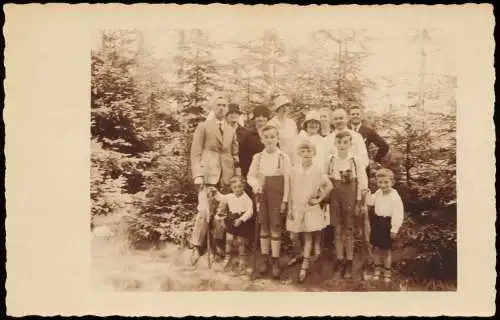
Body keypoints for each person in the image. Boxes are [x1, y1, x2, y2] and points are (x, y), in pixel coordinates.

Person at [189, 96, 241, 265]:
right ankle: (196, 246)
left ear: (227, 109)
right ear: (213, 107)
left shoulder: (231, 129)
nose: (221, 108)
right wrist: (197, 174)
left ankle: (218, 243)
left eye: (224, 105)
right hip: (207, 175)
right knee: (204, 211)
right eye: (218, 105)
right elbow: (195, 152)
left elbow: (234, 154)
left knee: (221, 214)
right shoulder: (203, 126)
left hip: (226, 176)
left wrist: (237, 174)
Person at [247, 124, 292, 279]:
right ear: (262, 139)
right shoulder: (257, 157)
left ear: (277, 138)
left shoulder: (283, 157)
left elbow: (287, 180)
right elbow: (250, 176)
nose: (269, 140)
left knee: (276, 227)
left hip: (277, 196)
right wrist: (255, 185)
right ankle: (265, 256)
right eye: (266, 137)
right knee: (264, 227)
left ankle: (275, 259)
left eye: (272, 137)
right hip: (262, 195)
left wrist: (285, 200)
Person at [287, 139, 333, 282]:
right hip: (296, 206)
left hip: (310, 207)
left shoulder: (317, 170)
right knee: (293, 235)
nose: (306, 154)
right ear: (299, 153)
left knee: (308, 237)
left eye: (309, 151)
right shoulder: (294, 170)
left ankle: (304, 265)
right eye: (303, 151)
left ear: (313, 153)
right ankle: (300, 253)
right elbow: (289, 191)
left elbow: (329, 186)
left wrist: (318, 199)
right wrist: (289, 207)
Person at [325, 130, 368, 279]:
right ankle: (339, 259)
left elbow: (362, 182)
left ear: (350, 144)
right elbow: (325, 180)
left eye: (345, 142)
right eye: (339, 142)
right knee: (337, 229)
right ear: (335, 143)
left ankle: (349, 261)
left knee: (349, 230)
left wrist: (359, 202)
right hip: (335, 197)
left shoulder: (355, 160)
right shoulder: (330, 160)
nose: (342, 145)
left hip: (350, 197)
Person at [208, 175, 254, 273]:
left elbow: (250, 211)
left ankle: (242, 260)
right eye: (235, 187)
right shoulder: (230, 196)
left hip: (241, 221)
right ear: (232, 188)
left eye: (239, 187)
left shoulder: (247, 198)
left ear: (243, 186)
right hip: (231, 220)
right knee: (229, 240)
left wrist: (241, 219)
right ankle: (227, 258)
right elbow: (221, 198)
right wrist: (215, 191)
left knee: (241, 241)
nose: (237, 189)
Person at [365, 168, 404, 283]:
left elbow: (398, 214)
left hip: (387, 224)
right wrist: (367, 193)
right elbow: (370, 202)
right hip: (377, 223)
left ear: (392, 182)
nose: (383, 185)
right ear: (377, 183)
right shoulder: (378, 193)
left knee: (386, 250)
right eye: (380, 182)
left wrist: (394, 229)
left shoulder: (395, 197)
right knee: (376, 248)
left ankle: (387, 271)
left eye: (386, 182)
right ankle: (377, 269)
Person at [347, 104, 389, 170]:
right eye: (353, 114)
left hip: (363, 167)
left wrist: (375, 160)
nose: (355, 116)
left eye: (357, 114)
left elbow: (384, 146)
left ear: (361, 116)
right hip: (346, 167)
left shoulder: (368, 131)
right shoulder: (344, 130)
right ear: (349, 116)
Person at [268, 95, 298, 165]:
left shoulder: (292, 123)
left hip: (293, 158)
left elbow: (296, 142)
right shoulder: (272, 123)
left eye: (287, 106)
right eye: (282, 106)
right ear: (277, 108)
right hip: (278, 159)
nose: (285, 109)